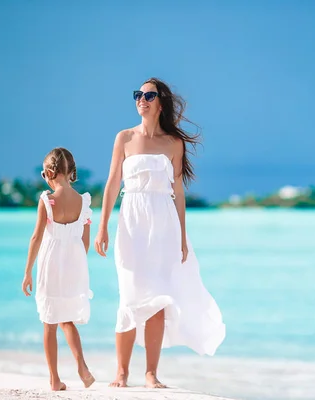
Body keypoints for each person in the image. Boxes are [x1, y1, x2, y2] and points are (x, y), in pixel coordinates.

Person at [94, 78, 225, 388]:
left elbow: (177, 191)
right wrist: (102, 227)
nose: (142, 99)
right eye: (138, 94)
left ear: (160, 102)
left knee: (158, 299)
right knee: (129, 296)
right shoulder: (124, 138)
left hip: (163, 224)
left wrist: (181, 236)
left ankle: (151, 374)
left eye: (149, 95)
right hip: (131, 222)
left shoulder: (173, 144)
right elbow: (113, 183)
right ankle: (121, 374)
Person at [21, 147, 95, 391]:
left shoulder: (47, 200)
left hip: (51, 262)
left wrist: (27, 272)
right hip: (75, 265)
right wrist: (75, 265)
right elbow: (85, 242)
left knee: (49, 322)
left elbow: (36, 238)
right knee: (67, 320)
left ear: (50, 172)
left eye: (44, 174)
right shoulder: (84, 201)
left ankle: (54, 379)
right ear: (71, 172)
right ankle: (82, 368)